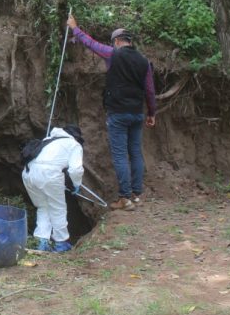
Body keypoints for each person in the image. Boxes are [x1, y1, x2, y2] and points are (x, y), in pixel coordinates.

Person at [66, 14, 156, 211]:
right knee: (135, 152)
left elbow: (91, 44)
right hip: (137, 113)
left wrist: (75, 27)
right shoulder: (143, 61)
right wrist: (152, 113)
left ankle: (125, 198)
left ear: (116, 41)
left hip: (118, 113)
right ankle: (136, 194)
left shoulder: (112, 53)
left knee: (120, 155)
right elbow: (150, 89)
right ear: (130, 42)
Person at [22, 125, 84, 252]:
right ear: (76, 137)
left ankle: (41, 240)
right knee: (58, 208)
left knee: (43, 207)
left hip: (28, 174)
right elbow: (76, 169)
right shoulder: (74, 144)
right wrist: (77, 184)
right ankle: (61, 243)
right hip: (49, 175)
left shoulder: (48, 140)